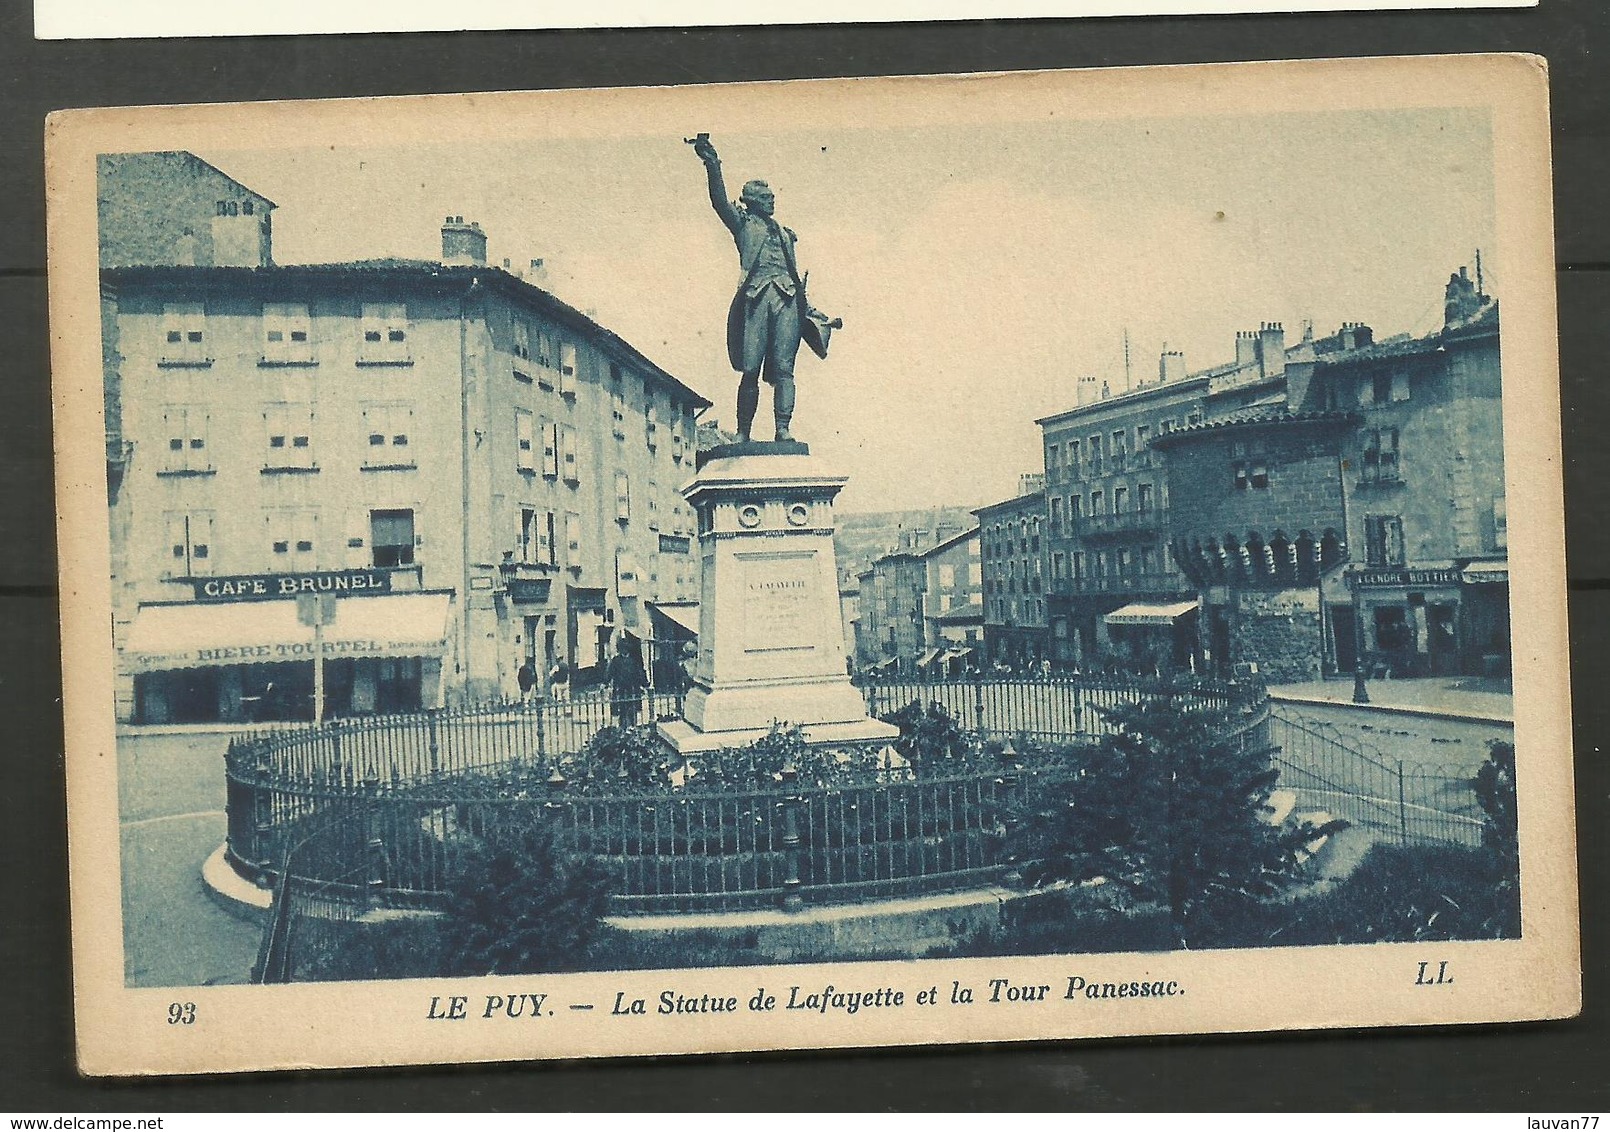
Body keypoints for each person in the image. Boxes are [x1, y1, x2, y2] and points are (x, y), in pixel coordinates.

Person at [691, 134, 840, 443]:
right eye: (767, 197)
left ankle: (782, 429)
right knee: (750, 368)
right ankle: (743, 432)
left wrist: (815, 314)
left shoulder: (786, 235)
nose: (774, 200)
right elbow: (719, 200)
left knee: (785, 369)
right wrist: (712, 163)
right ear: (753, 201)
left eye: (773, 195)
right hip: (756, 300)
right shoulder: (744, 224)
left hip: (787, 303)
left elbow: (795, 279)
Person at [606, 636, 648, 729]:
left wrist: (645, 684)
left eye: (625, 648)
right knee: (622, 709)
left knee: (632, 708)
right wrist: (605, 683)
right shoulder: (616, 660)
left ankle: (633, 727)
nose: (624, 650)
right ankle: (623, 728)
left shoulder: (634, 661)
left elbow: (640, 672)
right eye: (622, 648)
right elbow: (610, 672)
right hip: (620, 688)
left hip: (633, 688)